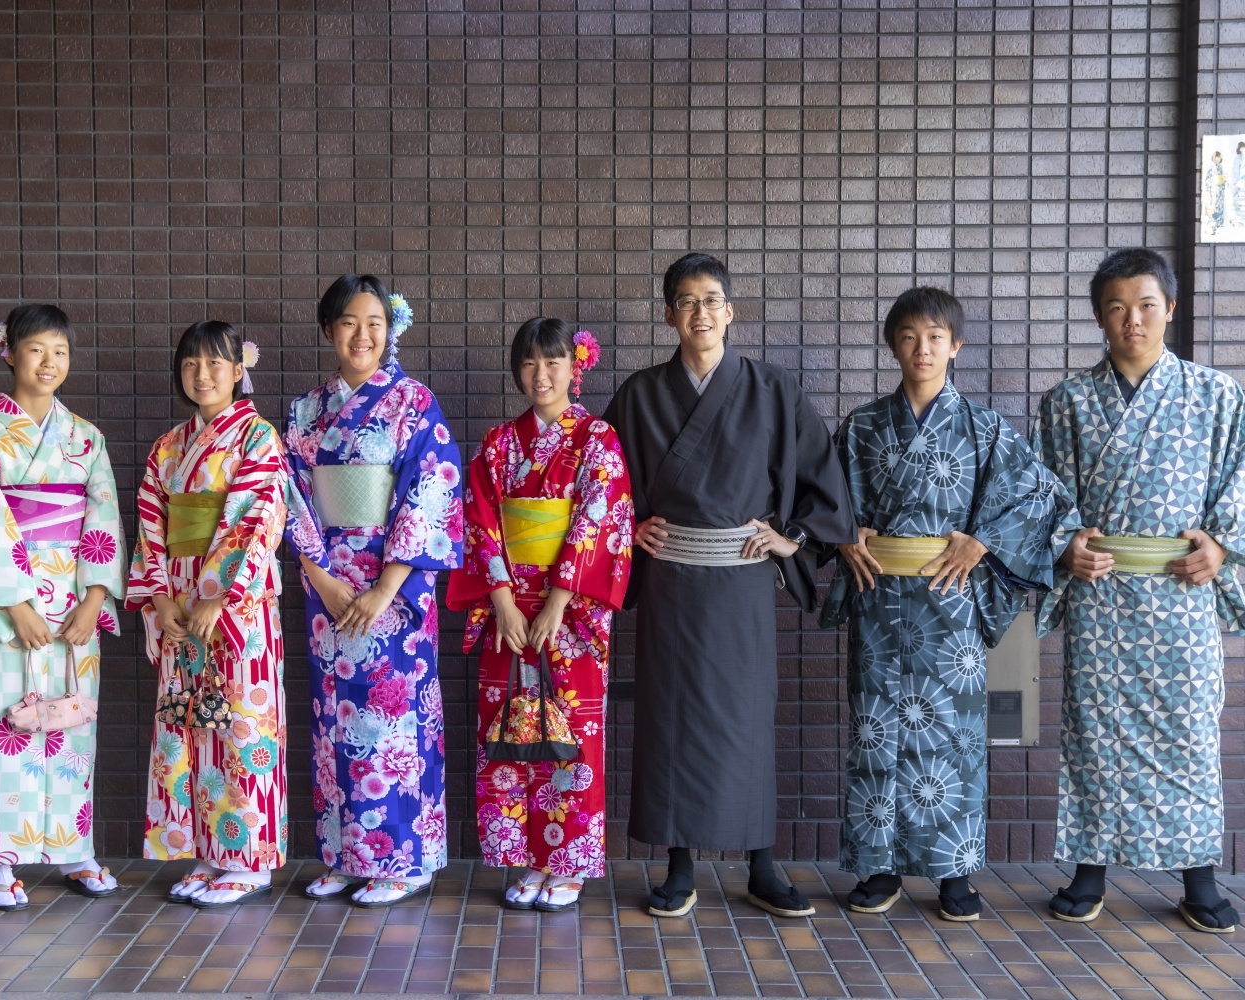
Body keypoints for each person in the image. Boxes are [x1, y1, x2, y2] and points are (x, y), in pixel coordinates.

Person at [602, 252, 856, 919]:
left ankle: (762, 866)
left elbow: (822, 484)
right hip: (670, 584)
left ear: (731, 310)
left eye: (711, 299)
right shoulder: (638, 395)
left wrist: (791, 538)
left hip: (740, 582)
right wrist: (625, 529)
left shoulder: (773, 390)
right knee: (673, 719)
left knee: (745, 721)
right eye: (686, 301)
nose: (700, 313)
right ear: (668, 315)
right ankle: (679, 866)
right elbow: (603, 482)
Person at [1034, 248, 1245, 933]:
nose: (1132, 320)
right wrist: (1067, 546)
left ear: (1170, 308)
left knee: (1190, 734)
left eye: (1145, 305)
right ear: (1098, 317)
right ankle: (1089, 871)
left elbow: (1244, 486)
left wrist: (1221, 548)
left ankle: (1198, 878)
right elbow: (1045, 502)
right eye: (1116, 307)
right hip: (1102, 594)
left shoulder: (1215, 395)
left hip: (1181, 595)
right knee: (1094, 734)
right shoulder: (1068, 402)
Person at [820, 288, 1074, 921]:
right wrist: (848, 536)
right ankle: (879, 868)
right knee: (876, 733)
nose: (922, 348)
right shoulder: (864, 426)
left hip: (951, 602)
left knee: (954, 739)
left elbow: (1039, 496)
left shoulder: (984, 427)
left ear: (955, 346)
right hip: (881, 598)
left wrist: (981, 540)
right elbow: (828, 501)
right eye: (908, 336)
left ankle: (953, 871)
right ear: (892, 346)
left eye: (935, 337)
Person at [284, 275, 463, 908]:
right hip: (327, 585)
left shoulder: (413, 403)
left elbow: (431, 490)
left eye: (375, 323)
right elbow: (293, 498)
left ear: (391, 331)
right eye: (349, 322)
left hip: (396, 588)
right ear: (329, 330)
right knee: (336, 722)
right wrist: (324, 579)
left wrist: (386, 587)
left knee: (392, 723)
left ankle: (404, 860)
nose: (363, 335)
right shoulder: (307, 410)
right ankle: (342, 853)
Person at [446, 319, 634, 912]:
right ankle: (527, 859)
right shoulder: (499, 443)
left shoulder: (597, 439)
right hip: (508, 612)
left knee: (570, 733)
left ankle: (568, 864)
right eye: (529, 364)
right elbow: (476, 518)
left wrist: (559, 599)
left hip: (569, 615)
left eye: (552, 362)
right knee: (508, 733)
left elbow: (599, 520)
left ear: (575, 368)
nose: (541, 375)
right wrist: (500, 598)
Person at [0, 305, 125, 910]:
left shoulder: (86, 437)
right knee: (8, 725)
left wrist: (93, 599)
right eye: (37, 350)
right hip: (8, 597)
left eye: (61, 352)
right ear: (10, 354)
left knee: (74, 724)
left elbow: (102, 516)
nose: (50, 363)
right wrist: (16, 602)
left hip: (74, 596)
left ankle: (75, 850)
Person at [127, 321, 291, 908]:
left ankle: (247, 861)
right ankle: (204, 851)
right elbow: (150, 526)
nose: (203, 374)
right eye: (191, 363)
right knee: (187, 723)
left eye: (216, 363)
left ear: (239, 370)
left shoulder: (258, 437)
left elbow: (258, 517)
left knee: (242, 723)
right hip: (177, 598)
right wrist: (161, 598)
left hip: (235, 607)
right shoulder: (167, 447)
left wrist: (216, 595)